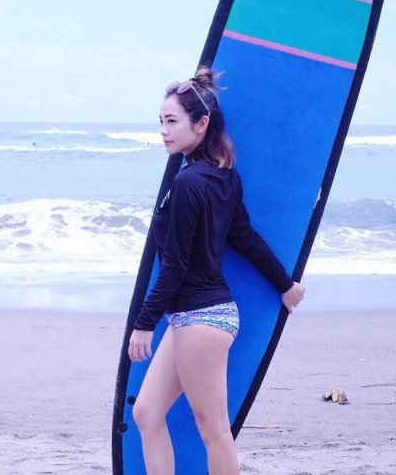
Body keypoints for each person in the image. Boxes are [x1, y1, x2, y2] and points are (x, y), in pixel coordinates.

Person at [128, 67, 306, 475]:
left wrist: (143, 323)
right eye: (161, 121)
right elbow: (246, 239)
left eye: (172, 121)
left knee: (214, 429)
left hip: (201, 317)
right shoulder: (223, 177)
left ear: (201, 123)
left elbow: (174, 265)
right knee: (147, 412)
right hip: (197, 316)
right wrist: (284, 284)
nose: (163, 131)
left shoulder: (189, 183)